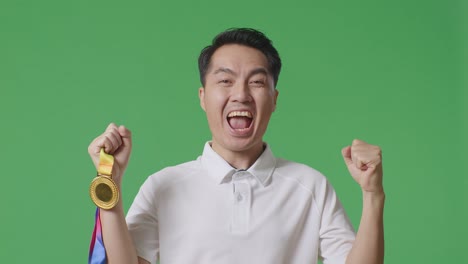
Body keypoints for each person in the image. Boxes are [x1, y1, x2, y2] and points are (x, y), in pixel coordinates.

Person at [88, 28, 385, 264]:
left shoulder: (311, 186)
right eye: (226, 81)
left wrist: (373, 195)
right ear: (203, 97)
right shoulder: (164, 185)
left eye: (256, 82)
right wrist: (109, 185)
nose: (241, 94)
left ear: (274, 99)